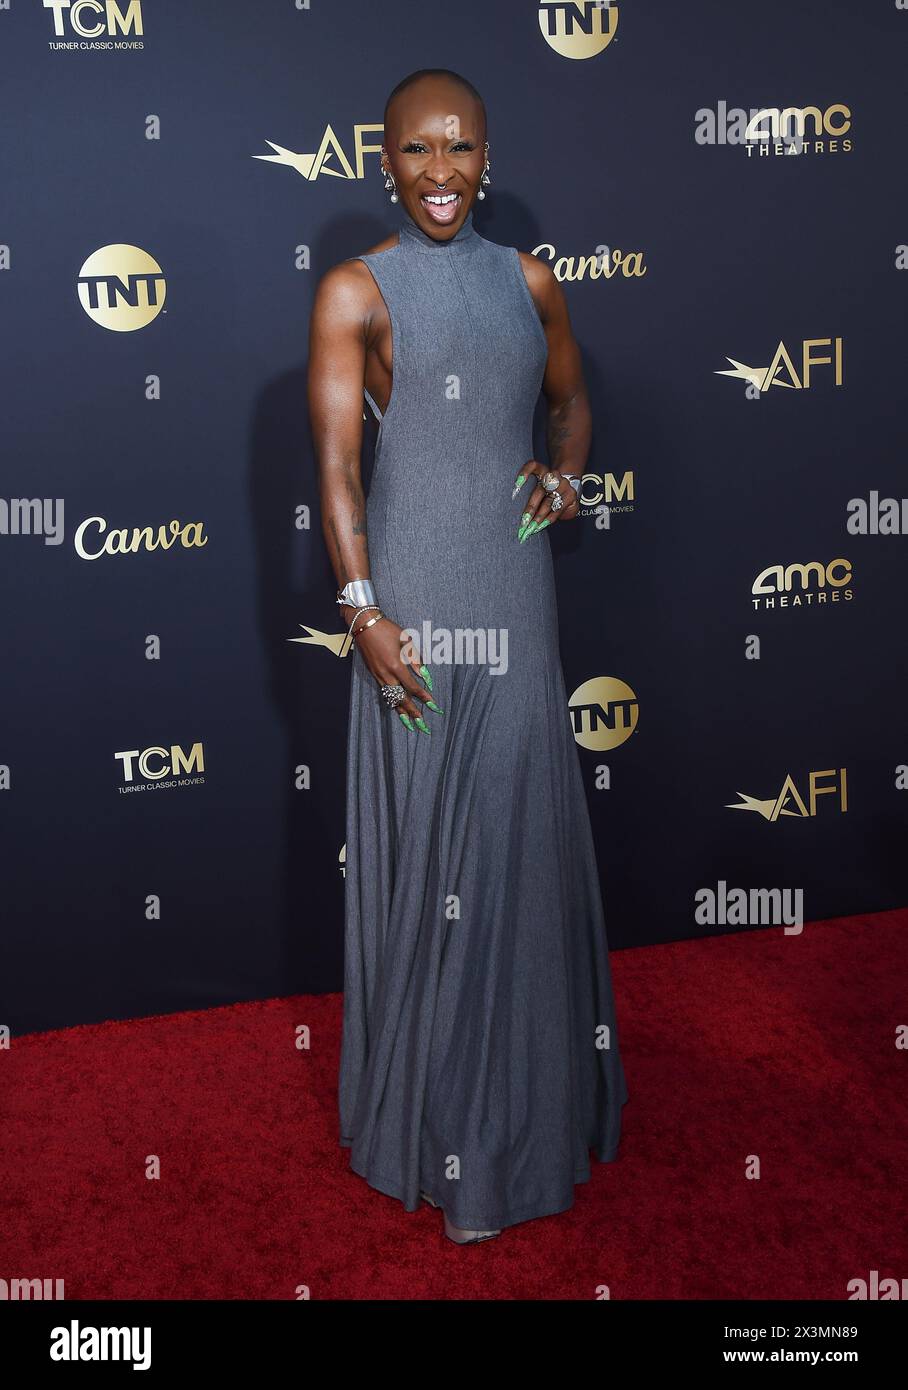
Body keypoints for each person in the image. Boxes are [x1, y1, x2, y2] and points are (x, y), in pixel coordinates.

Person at [308, 67, 628, 1245]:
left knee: (510, 840)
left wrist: (561, 485)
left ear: (485, 155)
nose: (438, 171)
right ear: (381, 159)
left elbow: (572, 402)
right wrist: (360, 606)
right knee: (430, 842)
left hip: (511, 585)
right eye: (414, 149)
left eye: (458, 147)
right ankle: (430, 1124)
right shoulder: (355, 289)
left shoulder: (526, 278)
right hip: (412, 597)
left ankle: (517, 1124)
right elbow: (338, 467)